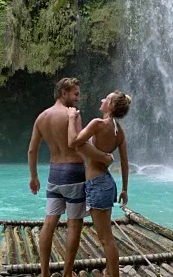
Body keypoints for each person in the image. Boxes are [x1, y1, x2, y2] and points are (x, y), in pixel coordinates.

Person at [27, 77, 113, 277]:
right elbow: (78, 144)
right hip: (74, 173)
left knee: (49, 223)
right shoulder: (71, 115)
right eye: (75, 94)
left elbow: (32, 150)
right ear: (64, 92)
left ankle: (45, 272)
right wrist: (103, 158)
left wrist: (33, 176)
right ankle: (66, 273)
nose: (77, 99)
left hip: (54, 174)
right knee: (75, 224)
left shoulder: (42, 117)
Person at [66, 91, 132, 277]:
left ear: (110, 106)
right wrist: (125, 189)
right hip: (106, 182)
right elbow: (125, 162)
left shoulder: (98, 124)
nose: (102, 99)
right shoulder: (118, 131)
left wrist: (71, 118)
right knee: (107, 237)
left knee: (106, 238)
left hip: (97, 184)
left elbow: (73, 142)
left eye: (106, 98)